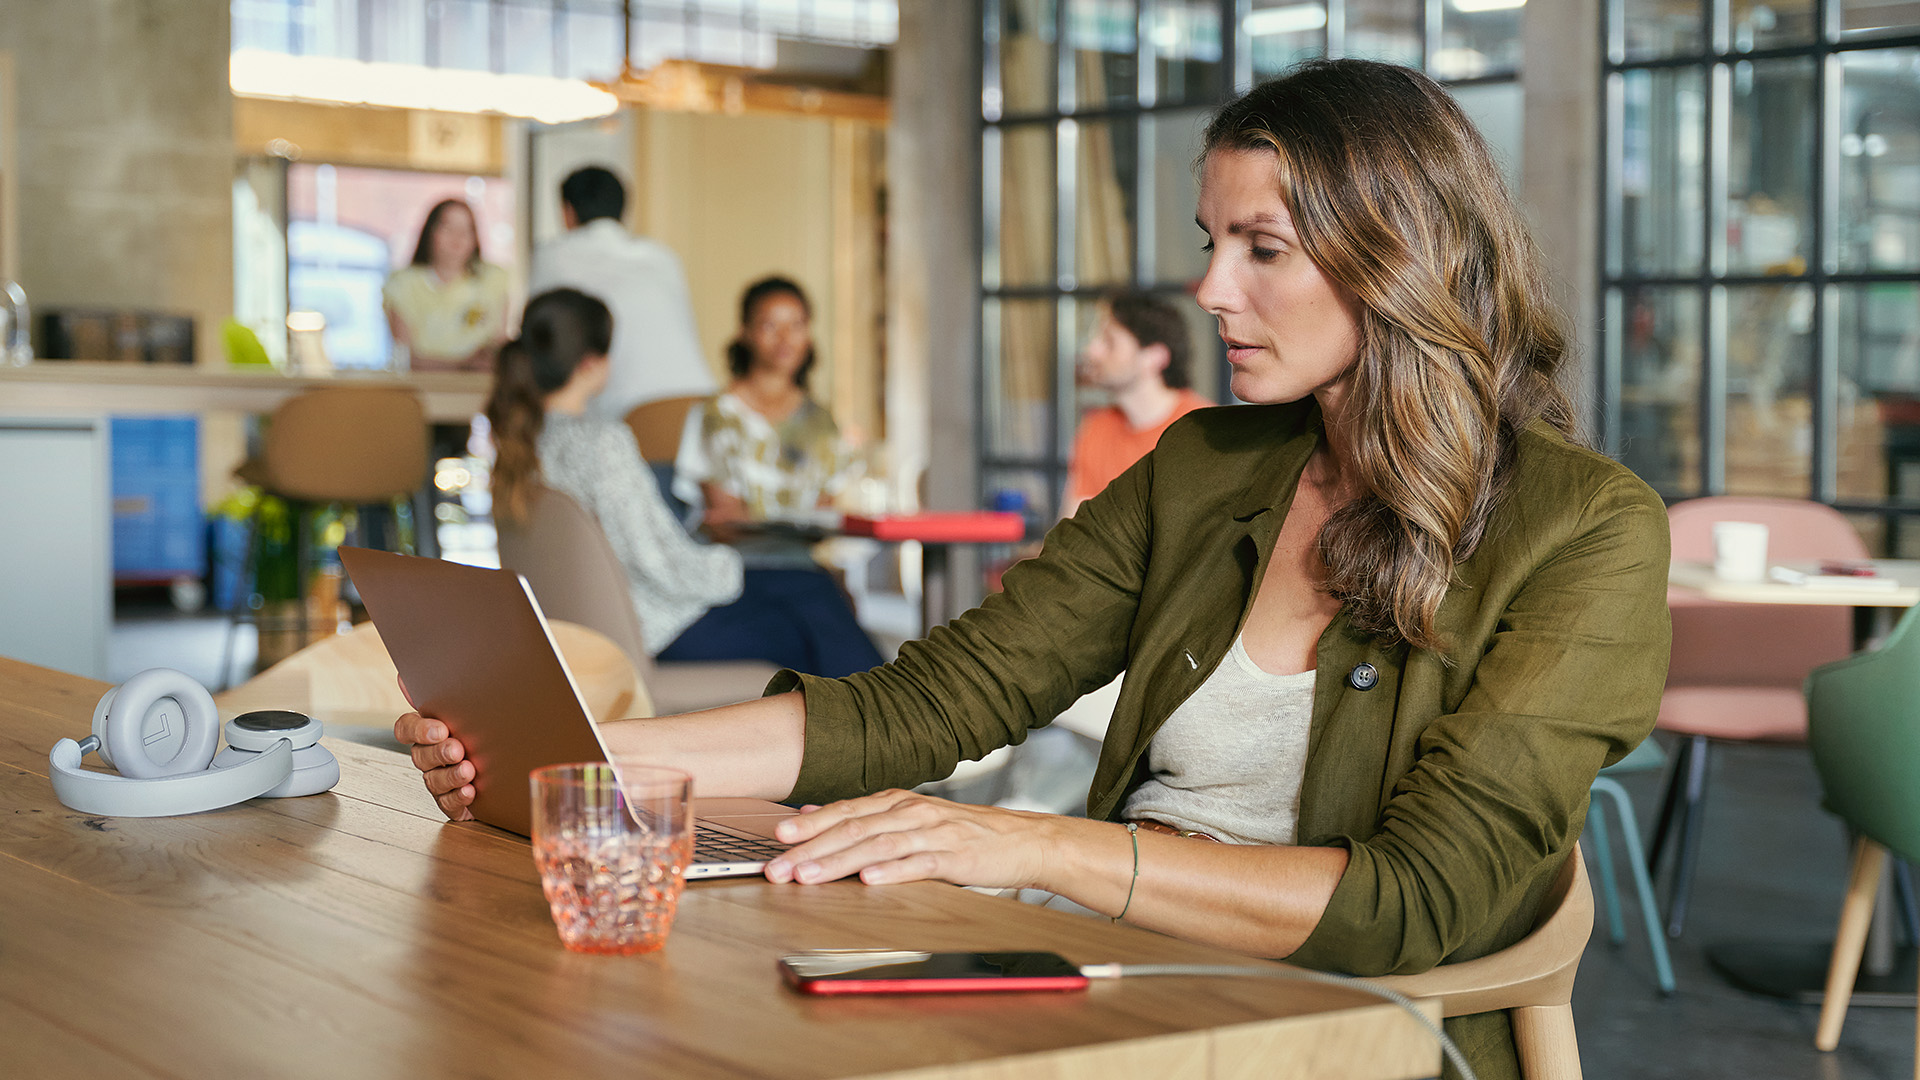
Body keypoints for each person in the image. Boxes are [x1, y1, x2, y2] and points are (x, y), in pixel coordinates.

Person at [401, 61, 1671, 1080]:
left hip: (1354, 1025)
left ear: (1400, 252)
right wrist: (582, 763)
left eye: (1262, 247)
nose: (1210, 286)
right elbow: (930, 706)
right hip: (1120, 983)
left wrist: (1037, 846)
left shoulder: (1589, 533)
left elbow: (1413, 905)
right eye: (1209, 239)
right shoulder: (1206, 467)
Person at [489, 288, 882, 679]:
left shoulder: (522, 446)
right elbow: (653, 558)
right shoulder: (602, 443)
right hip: (658, 631)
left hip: (590, 633)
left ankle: (881, 721)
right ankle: (891, 725)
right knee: (812, 615)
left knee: (805, 593)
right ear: (593, 361)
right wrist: (728, 570)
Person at [671, 276, 863, 563]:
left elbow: (824, 515)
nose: (785, 338)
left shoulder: (821, 421)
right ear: (745, 332)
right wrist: (794, 524)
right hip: (734, 569)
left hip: (801, 568)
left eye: (796, 325)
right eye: (770, 325)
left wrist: (760, 520)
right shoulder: (716, 415)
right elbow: (725, 523)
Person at [528, 166, 716, 423]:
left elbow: (538, 341)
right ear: (624, 211)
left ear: (567, 212)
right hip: (700, 407)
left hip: (627, 417)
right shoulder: (663, 257)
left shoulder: (554, 256)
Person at [1062, 291, 1213, 518]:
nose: (1091, 350)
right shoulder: (1096, 427)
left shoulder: (1205, 431)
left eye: (1109, 341)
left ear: (1154, 357)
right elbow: (1072, 529)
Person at [383, 198, 509, 373]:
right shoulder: (403, 284)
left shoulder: (493, 280)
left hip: (479, 389)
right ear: (430, 231)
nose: (458, 237)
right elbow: (405, 358)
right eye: (448, 228)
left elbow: (499, 345)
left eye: (467, 229)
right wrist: (462, 365)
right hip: (420, 390)